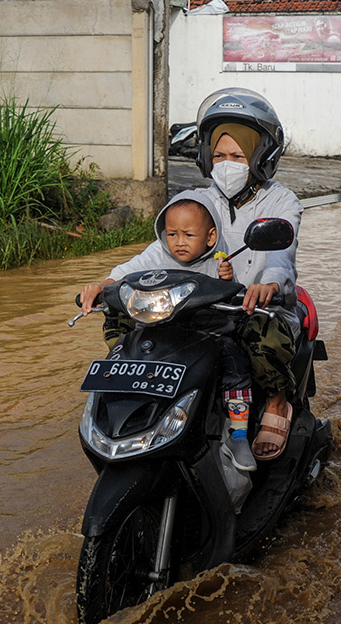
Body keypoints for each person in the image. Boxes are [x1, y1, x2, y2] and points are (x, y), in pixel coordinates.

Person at [80, 87, 303, 462]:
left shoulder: (282, 201)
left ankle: (278, 404)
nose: (226, 163)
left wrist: (270, 284)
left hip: (258, 309)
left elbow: (282, 253)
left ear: (261, 155)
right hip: (198, 311)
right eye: (218, 155)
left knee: (262, 336)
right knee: (126, 320)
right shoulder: (198, 202)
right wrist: (106, 283)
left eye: (237, 155)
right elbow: (155, 254)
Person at [79, 193, 259, 470]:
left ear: (211, 237)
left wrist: (228, 279)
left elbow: (238, 291)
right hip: (163, 334)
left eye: (188, 234)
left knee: (235, 366)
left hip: (210, 336)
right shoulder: (157, 252)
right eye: (172, 233)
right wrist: (100, 288)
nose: (179, 242)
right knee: (124, 357)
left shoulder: (221, 258)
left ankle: (238, 435)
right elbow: (124, 272)